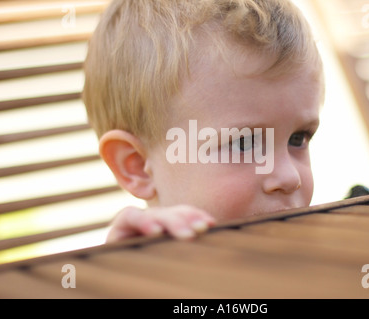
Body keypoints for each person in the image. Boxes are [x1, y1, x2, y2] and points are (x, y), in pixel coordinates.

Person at [82, 0, 325, 243]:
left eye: (298, 138)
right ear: (137, 166)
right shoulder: (146, 276)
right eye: (244, 143)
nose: (291, 177)